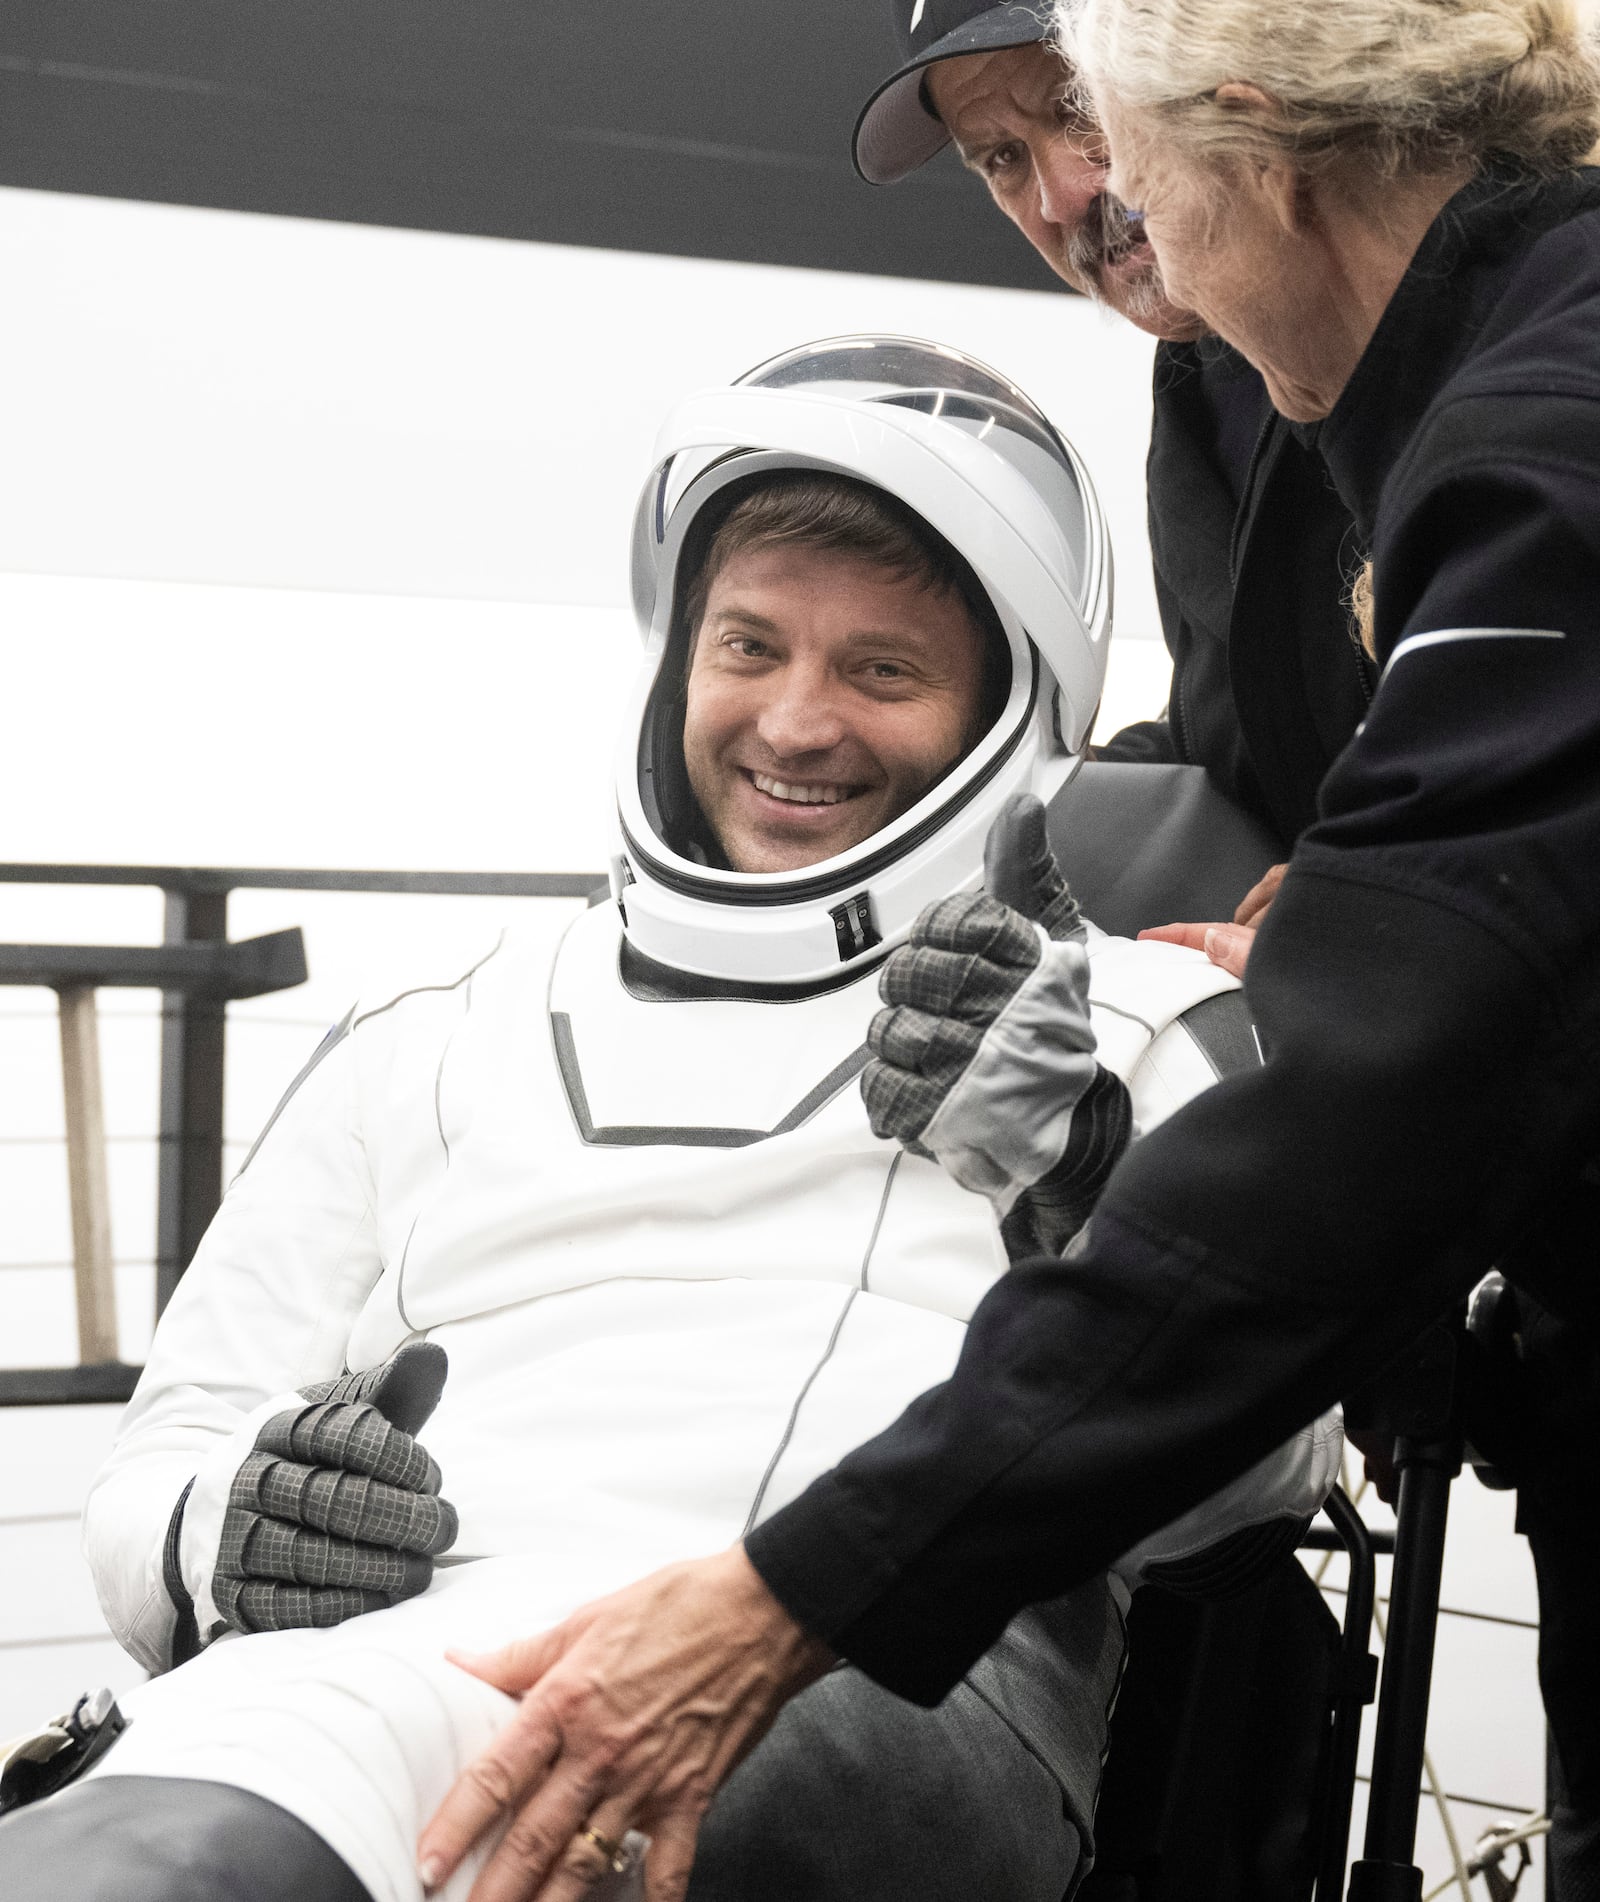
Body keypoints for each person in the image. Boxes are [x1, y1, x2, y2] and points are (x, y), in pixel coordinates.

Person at [407, 8, 1600, 1901]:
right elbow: (1320, 791)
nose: (1089, 209)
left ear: (1252, 127)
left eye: (1099, 131)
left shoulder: (1546, 429)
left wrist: (790, 1597)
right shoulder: (1306, 392)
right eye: (753, 648)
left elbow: (1371, 1104)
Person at [0, 339, 1334, 1902]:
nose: (795, 720)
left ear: (1013, 711)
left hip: (860, 1687)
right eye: (747, 646)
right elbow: (166, 1460)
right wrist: (231, 1526)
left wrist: (1074, 1166)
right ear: (672, 658)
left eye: (882, 671)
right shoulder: (431, 1020)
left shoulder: (1125, 1026)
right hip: (373, 1675)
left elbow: (1254, 1494)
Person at [853, 0, 1375, 878]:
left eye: (1082, 110)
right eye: (1004, 160)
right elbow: (1252, 739)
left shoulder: (1472, 328)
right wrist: (993, 811)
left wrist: (1385, 880)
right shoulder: (1201, 376)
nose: (1063, 196)